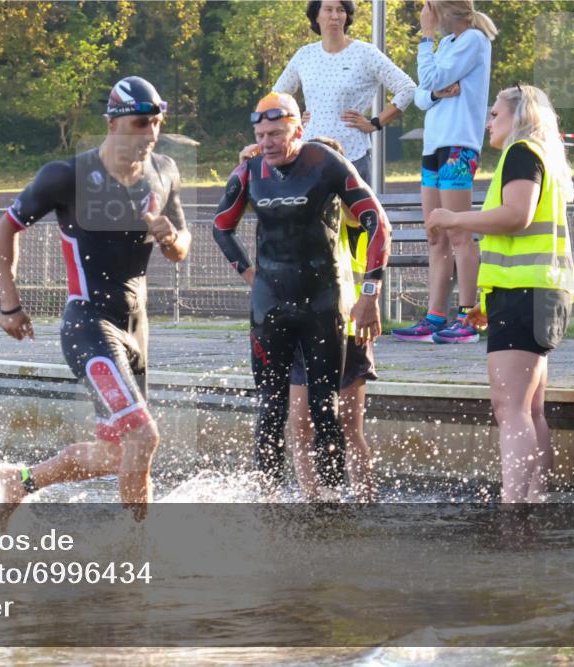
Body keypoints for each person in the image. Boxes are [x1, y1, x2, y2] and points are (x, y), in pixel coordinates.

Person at [0, 76, 192, 526]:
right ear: (112, 123)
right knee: (143, 436)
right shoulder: (66, 175)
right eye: (141, 123)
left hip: (137, 328)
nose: (151, 134)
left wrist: (171, 239)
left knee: (113, 453)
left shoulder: (164, 171)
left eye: (157, 123)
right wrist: (10, 304)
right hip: (90, 324)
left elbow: (181, 248)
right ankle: (137, 549)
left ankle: (20, 481)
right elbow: (7, 227)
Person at [213, 92, 390, 492]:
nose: (268, 141)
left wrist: (370, 294)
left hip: (323, 305)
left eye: (276, 132)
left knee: (325, 408)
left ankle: (330, 501)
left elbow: (378, 223)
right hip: (269, 307)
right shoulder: (250, 171)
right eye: (261, 134)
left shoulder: (324, 164)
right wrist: (248, 273)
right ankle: (269, 500)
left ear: (299, 127)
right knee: (271, 410)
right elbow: (220, 227)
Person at [426, 84, 574, 502]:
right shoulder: (541, 154)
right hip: (537, 292)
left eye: (495, 114)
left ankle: (513, 508)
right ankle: (534, 500)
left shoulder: (521, 152)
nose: (489, 121)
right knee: (529, 410)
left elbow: (516, 215)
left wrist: (456, 216)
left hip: (525, 292)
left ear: (520, 116)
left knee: (509, 409)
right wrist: (485, 301)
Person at [393, 0, 497, 344]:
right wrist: (435, 92)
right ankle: (436, 317)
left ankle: (470, 315)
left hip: (458, 146)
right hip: (433, 146)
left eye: (428, 9)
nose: (425, 16)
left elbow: (431, 78)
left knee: (458, 232)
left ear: (442, 10)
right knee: (436, 233)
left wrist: (425, 40)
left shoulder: (473, 40)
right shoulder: (449, 43)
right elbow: (423, 95)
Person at [284, 137, 378, 502]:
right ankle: (315, 501)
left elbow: (364, 221)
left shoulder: (348, 207)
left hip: (345, 326)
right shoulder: (289, 205)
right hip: (297, 326)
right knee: (301, 426)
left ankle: (365, 500)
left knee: (349, 427)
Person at [243, 0, 416, 183]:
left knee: (356, 212)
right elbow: (275, 96)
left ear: (347, 16)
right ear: (316, 16)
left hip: (353, 156)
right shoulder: (305, 55)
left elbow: (407, 88)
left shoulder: (366, 53)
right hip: (309, 157)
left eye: (341, 10)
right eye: (328, 10)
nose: (335, 16)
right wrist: (293, 119)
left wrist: (375, 123)